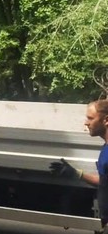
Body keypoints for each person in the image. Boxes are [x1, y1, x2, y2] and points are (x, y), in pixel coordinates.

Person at [50, 99, 108, 231]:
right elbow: (104, 182)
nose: (86, 123)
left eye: (90, 118)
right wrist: (76, 173)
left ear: (106, 120)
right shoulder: (105, 148)